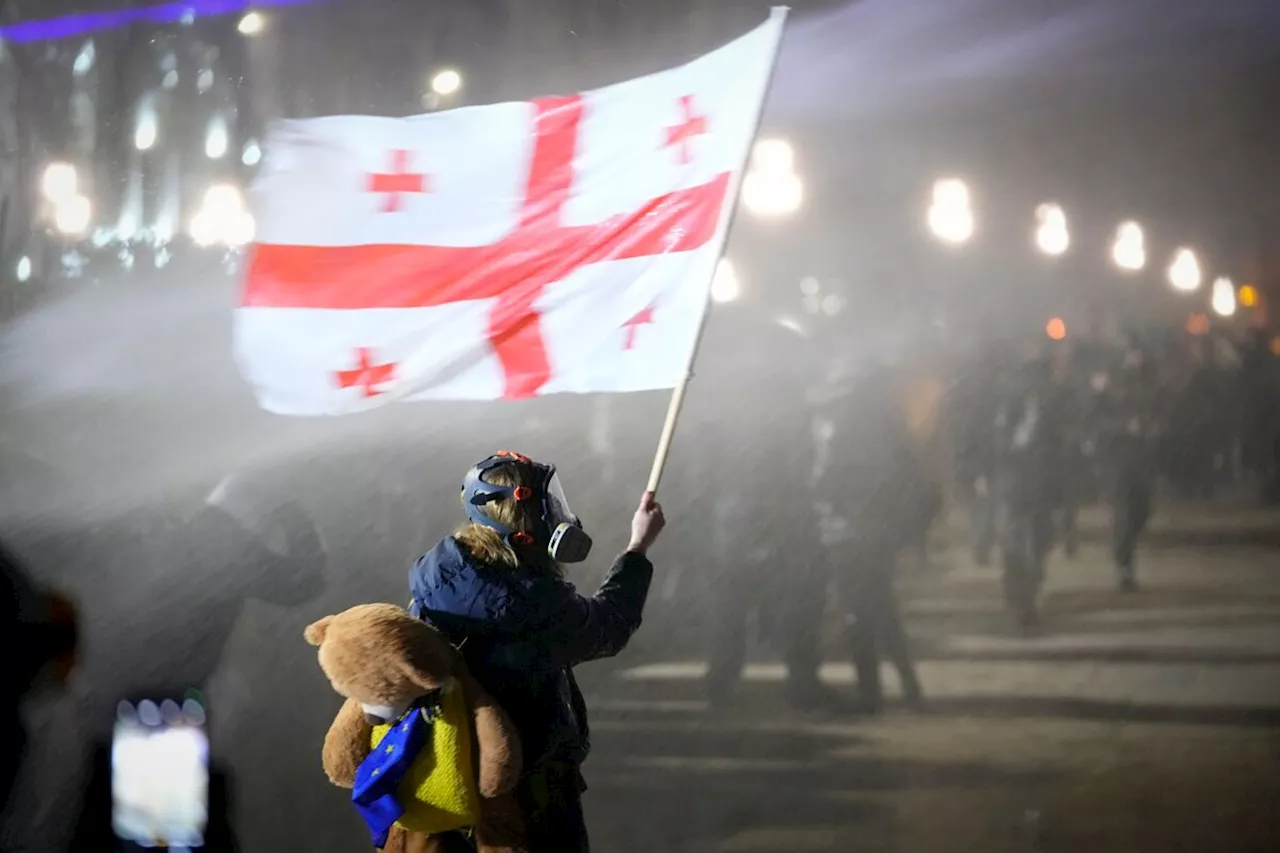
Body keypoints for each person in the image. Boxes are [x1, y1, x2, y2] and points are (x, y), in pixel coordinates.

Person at [406, 451, 665, 853]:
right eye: (550, 504)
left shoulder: (444, 577)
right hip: (529, 796)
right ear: (523, 517)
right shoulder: (529, 601)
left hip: (448, 788)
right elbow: (606, 627)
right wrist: (638, 547)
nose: (559, 514)